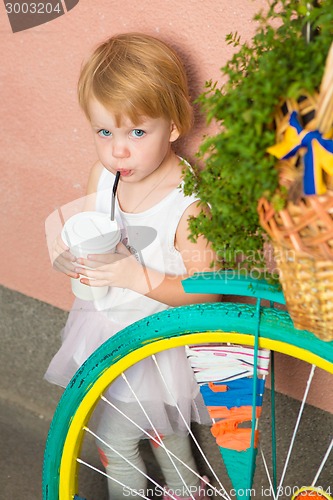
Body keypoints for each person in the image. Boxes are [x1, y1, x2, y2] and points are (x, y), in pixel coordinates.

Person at [45, 32, 219, 499]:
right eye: (105, 132)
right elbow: (92, 228)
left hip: (156, 342)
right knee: (161, 432)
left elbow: (207, 291)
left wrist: (133, 274)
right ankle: (187, 491)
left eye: (137, 132)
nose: (118, 150)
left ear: (176, 125)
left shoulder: (187, 206)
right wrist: (75, 253)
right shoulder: (104, 176)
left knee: (120, 437)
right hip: (106, 325)